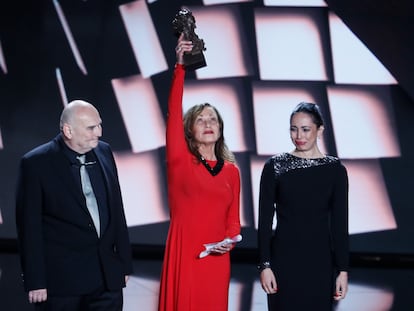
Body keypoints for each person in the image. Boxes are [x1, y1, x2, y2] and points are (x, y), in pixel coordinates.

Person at [15, 100, 133, 310]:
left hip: (107, 279)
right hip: (62, 283)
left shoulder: (104, 152)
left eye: (99, 125)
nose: (99, 132)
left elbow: (116, 210)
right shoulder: (36, 163)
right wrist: (36, 281)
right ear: (68, 130)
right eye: (91, 127)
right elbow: (29, 228)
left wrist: (123, 264)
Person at [158, 34, 241, 311]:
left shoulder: (231, 171)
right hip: (186, 257)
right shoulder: (181, 160)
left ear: (220, 129)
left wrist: (228, 243)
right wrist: (180, 68)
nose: (208, 123)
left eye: (213, 119)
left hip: (217, 262)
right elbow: (173, 110)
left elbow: (233, 221)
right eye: (200, 119)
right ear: (189, 131)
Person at [257, 102, 349, 310]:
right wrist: (265, 265)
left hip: (320, 262)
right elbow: (264, 221)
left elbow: (340, 224)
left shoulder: (335, 170)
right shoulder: (275, 166)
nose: (299, 135)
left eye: (306, 129)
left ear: (320, 130)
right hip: (283, 261)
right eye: (293, 128)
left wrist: (343, 270)